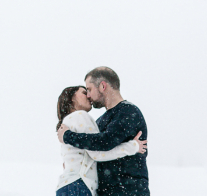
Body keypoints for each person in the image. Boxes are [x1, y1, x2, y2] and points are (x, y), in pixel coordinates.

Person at [58, 67, 150, 196]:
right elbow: (92, 150)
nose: (88, 95)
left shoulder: (127, 112)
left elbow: (105, 142)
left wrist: (68, 136)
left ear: (102, 86)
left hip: (128, 190)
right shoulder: (100, 121)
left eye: (89, 89)